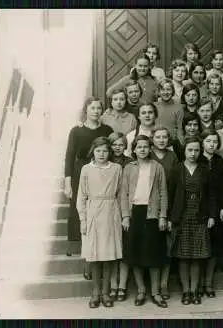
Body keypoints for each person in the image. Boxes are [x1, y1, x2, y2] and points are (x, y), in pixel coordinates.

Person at [64, 97, 113, 280]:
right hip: (81, 173)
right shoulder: (76, 131)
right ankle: (86, 256)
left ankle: (98, 255)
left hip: (102, 173)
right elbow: (69, 156)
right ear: (86, 110)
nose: (96, 111)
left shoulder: (107, 130)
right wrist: (67, 182)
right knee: (81, 213)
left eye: (99, 108)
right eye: (92, 108)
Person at [120, 135, 168, 307]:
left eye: (146, 147)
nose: (142, 150)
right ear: (133, 149)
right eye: (139, 147)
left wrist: (162, 215)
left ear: (151, 148)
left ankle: (155, 292)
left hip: (152, 213)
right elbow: (123, 194)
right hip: (135, 214)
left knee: (153, 254)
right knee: (135, 254)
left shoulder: (157, 167)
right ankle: (141, 290)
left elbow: (163, 193)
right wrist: (125, 216)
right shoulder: (128, 168)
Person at [170, 136, 217, 305]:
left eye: (196, 150)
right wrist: (170, 218)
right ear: (184, 150)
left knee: (197, 255)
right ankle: (186, 291)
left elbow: (212, 195)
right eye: (190, 150)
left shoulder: (205, 169)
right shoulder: (176, 169)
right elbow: (170, 194)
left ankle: (195, 290)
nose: (193, 153)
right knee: (183, 255)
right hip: (182, 216)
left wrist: (212, 215)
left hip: (200, 215)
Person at [77, 136, 123, 308]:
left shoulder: (117, 168)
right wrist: (83, 219)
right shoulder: (86, 169)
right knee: (95, 256)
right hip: (93, 213)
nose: (102, 154)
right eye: (98, 151)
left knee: (109, 256)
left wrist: (121, 215)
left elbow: (120, 192)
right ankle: (95, 292)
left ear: (109, 151)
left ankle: (106, 292)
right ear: (93, 152)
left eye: (105, 150)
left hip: (111, 213)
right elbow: (81, 196)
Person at [149, 126, 180, 301]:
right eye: (158, 137)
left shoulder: (172, 156)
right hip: (151, 206)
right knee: (153, 247)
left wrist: (171, 214)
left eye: (164, 137)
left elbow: (176, 184)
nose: (161, 140)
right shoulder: (148, 155)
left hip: (169, 205)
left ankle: (164, 284)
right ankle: (152, 285)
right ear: (152, 139)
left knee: (167, 248)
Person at [198, 129, 223, 298]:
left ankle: (208, 283)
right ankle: (198, 282)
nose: (212, 144)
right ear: (202, 142)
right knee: (200, 246)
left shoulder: (219, 160)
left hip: (216, 207)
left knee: (214, 246)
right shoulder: (196, 157)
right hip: (198, 207)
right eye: (209, 141)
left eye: (215, 142)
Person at [107, 132, 133, 302]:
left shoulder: (131, 163)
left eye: (121, 144)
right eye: (114, 144)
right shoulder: (105, 162)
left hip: (127, 206)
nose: (118, 147)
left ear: (125, 146)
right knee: (111, 248)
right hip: (109, 207)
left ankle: (122, 285)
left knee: (124, 248)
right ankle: (112, 284)